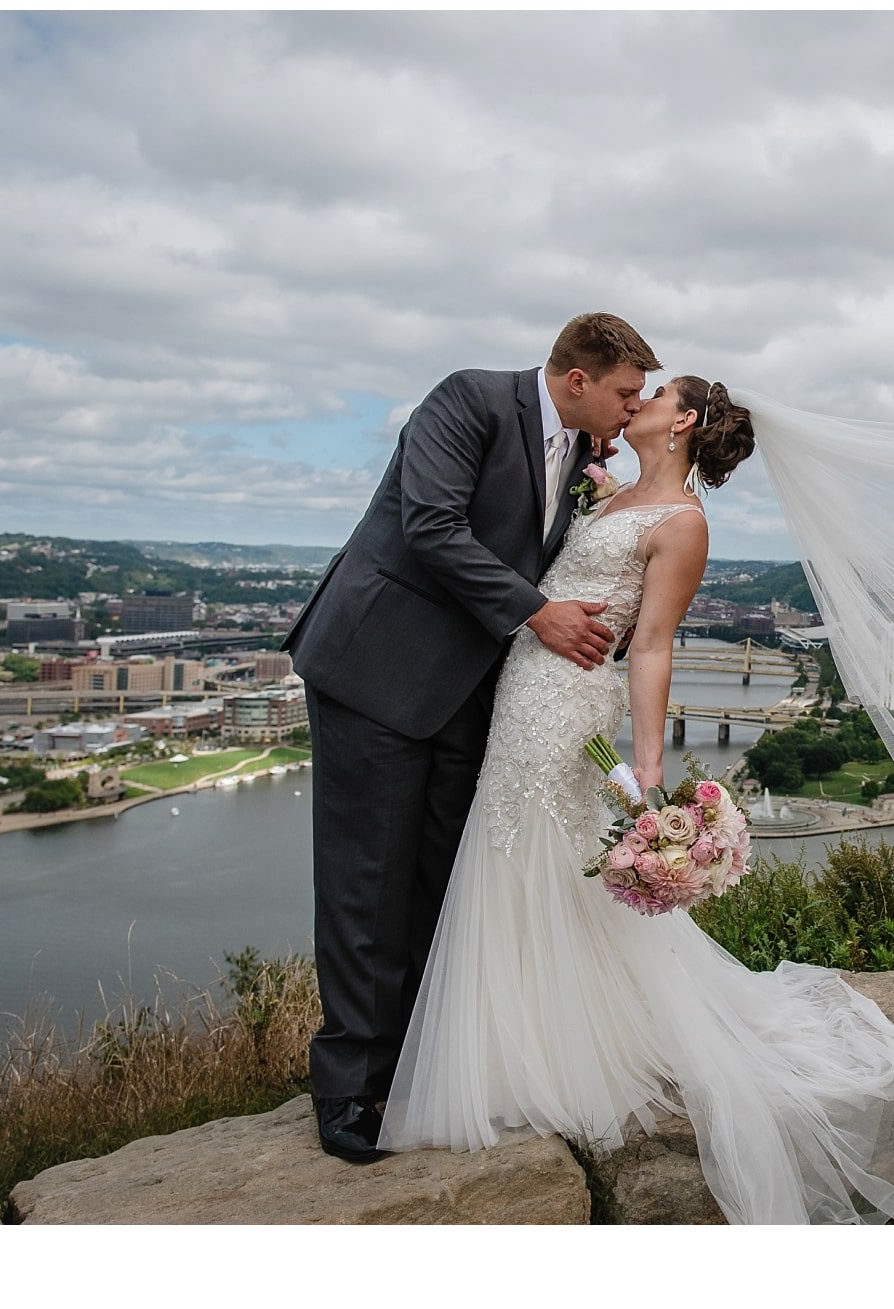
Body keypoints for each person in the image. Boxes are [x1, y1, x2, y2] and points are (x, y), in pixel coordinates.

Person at [375, 376, 894, 1225]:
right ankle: (521, 1039)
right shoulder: (605, 492)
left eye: (655, 393)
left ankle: (535, 1055)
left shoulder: (683, 523)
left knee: (539, 848)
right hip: (520, 690)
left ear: (681, 420)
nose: (635, 401)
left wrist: (648, 770)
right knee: (511, 851)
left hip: (569, 702)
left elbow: (651, 645)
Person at [283, 312, 660, 1164]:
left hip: (471, 695)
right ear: (577, 381)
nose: (631, 409)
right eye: (625, 392)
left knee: (439, 882)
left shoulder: (582, 456)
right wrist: (537, 613)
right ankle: (347, 1090)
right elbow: (431, 526)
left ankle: (417, 1066)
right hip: (379, 673)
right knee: (365, 886)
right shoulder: (468, 401)